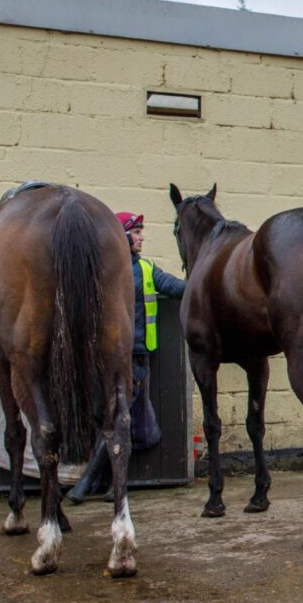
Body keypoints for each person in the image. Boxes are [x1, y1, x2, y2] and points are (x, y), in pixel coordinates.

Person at [66, 211, 185, 503]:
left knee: (120, 419)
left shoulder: (145, 269)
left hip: (136, 358)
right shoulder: (102, 269)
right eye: (137, 231)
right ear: (121, 235)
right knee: (113, 419)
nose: (142, 237)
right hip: (112, 357)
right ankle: (99, 484)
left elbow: (176, 287)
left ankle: (93, 484)